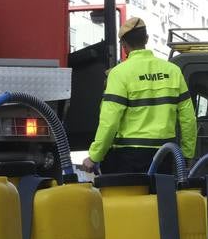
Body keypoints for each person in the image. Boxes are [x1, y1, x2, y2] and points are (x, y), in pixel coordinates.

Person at [82, 17, 197, 175]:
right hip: (165, 156)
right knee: (160, 199)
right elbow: (188, 119)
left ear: (123, 46)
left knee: (127, 200)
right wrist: (187, 154)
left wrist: (95, 156)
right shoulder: (173, 71)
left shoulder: (119, 73)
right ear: (147, 39)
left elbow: (110, 121)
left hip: (127, 159)